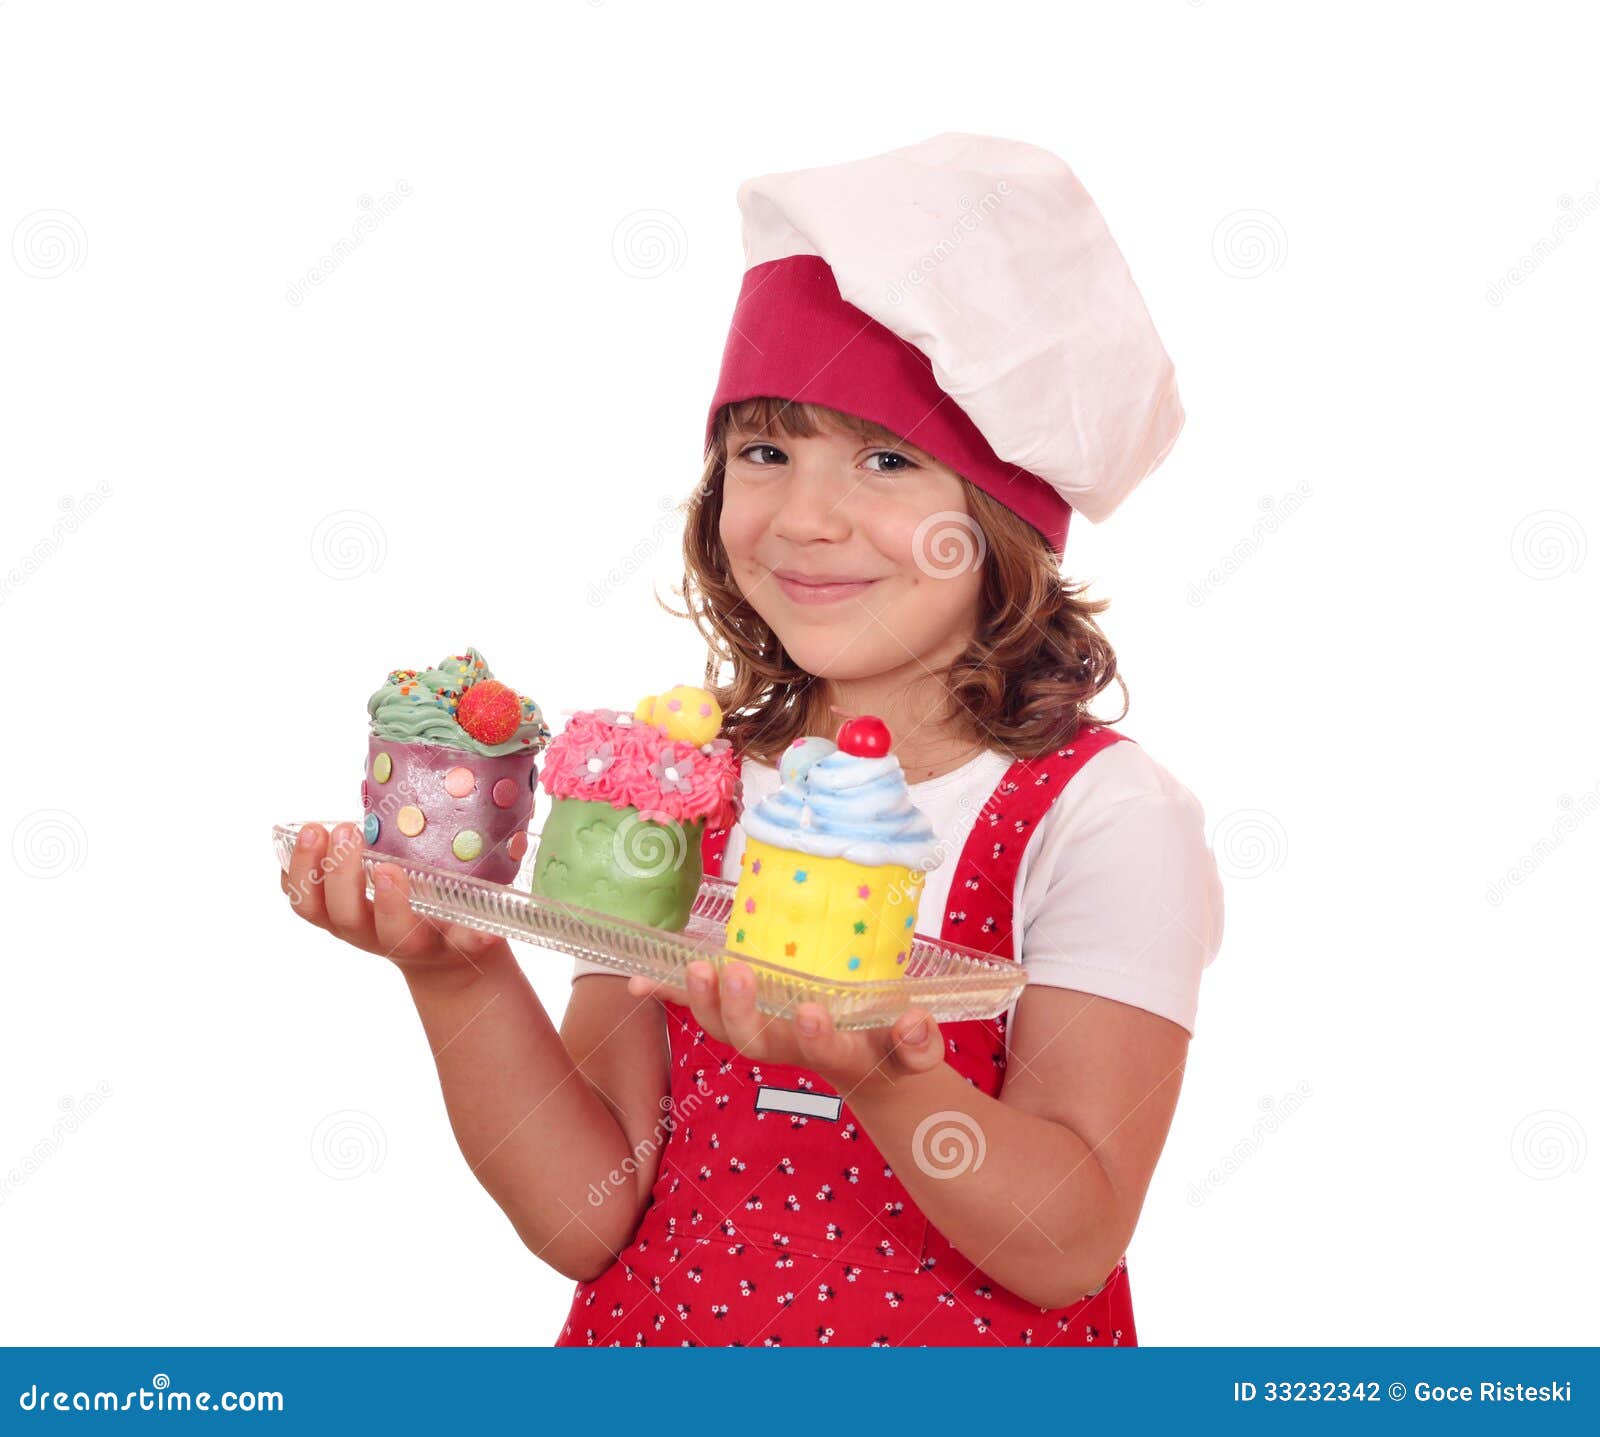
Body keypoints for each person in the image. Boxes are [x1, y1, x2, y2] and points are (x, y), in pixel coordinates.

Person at [282, 133, 1224, 1347]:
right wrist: (456, 971)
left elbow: (1070, 1241)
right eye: (763, 451)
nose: (803, 517)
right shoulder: (681, 788)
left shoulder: (1101, 817)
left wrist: (887, 1079)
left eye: (885, 459)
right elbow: (590, 1214)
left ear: (1001, 518)